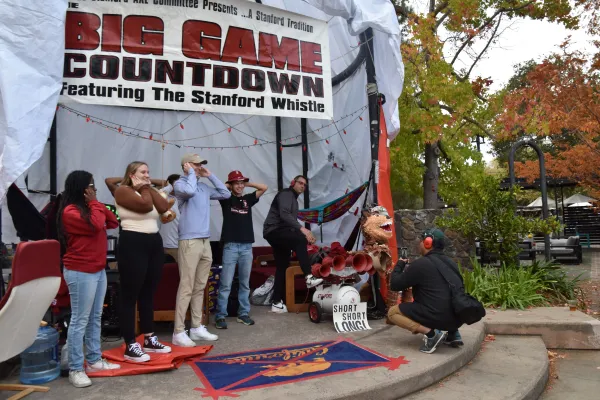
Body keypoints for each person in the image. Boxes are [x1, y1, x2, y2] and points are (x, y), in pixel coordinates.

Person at [57, 171, 121, 387]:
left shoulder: (92, 208)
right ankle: (76, 368)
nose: (94, 189)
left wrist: (97, 204)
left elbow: (113, 221)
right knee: (79, 320)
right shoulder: (70, 212)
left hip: (97, 269)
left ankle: (94, 360)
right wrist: (95, 204)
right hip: (80, 271)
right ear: (82, 188)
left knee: (95, 317)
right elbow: (95, 225)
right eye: (91, 185)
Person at [114, 162, 172, 362]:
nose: (148, 175)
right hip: (133, 241)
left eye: (149, 171)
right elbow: (145, 206)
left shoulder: (148, 189)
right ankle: (131, 343)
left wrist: (149, 187)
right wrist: (146, 188)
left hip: (153, 242)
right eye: (143, 172)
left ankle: (149, 337)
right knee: (130, 295)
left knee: (149, 292)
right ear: (132, 175)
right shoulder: (122, 191)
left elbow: (163, 206)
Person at [172, 154, 231, 347]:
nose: (199, 167)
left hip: (205, 240)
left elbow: (226, 193)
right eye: (196, 164)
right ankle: (178, 331)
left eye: (201, 164)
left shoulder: (203, 187)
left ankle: (196, 327)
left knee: (200, 286)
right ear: (186, 166)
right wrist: (190, 173)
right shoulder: (180, 185)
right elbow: (188, 192)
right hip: (189, 240)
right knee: (186, 286)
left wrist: (210, 175)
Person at [387, 229, 464, 354]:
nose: (420, 244)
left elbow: (395, 285)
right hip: (457, 318)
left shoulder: (421, 264)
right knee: (441, 299)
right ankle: (453, 333)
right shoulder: (451, 263)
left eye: (422, 241)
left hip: (438, 316)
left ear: (428, 243)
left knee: (392, 313)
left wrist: (400, 264)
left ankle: (431, 334)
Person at [263, 175, 323, 314]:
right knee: (300, 239)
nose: (302, 186)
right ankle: (308, 276)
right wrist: (303, 231)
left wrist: (303, 233)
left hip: (277, 232)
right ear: (293, 183)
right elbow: (284, 214)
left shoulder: (294, 200)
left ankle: (277, 302)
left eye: (304, 185)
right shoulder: (286, 194)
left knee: (282, 266)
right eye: (300, 183)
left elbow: (288, 222)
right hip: (274, 231)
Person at [215, 171, 267, 329]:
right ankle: (220, 316)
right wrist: (229, 184)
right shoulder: (226, 198)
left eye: (241, 183)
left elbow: (264, 187)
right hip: (230, 245)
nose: (239, 186)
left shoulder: (247, 199)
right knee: (226, 283)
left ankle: (243, 313)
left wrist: (247, 183)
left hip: (246, 246)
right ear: (230, 185)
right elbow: (219, 189)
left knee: (245, 283)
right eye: (236, 183)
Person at [159, 174, 181, 263]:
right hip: (166, 246)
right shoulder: (164, 198)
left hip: (181, 245)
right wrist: (169, 186)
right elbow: (158, 194)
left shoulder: (182, 198)